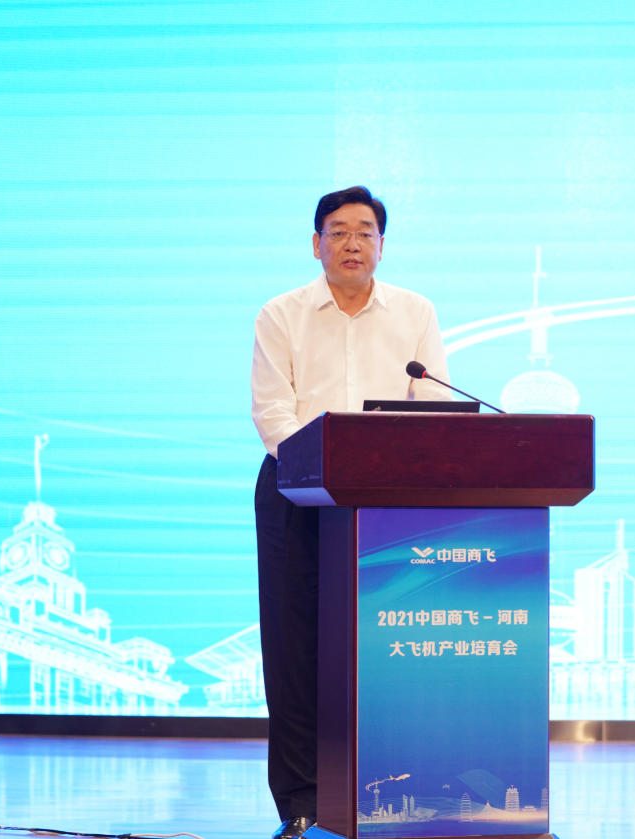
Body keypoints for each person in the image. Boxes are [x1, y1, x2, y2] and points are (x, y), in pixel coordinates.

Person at [250, 186, 451, 839]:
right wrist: (324, 468)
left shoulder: (415, 311)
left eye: (365, 231)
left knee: (385, 646)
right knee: (295, 651)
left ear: (382, 245)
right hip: (295, 493)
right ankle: (301, 803)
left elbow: (430, 405)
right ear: (316, 244)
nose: (352, 243)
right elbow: (273, 413)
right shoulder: (281, 313)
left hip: (388, 500)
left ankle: (394, 790)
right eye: (338, 232)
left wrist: (380, 471)